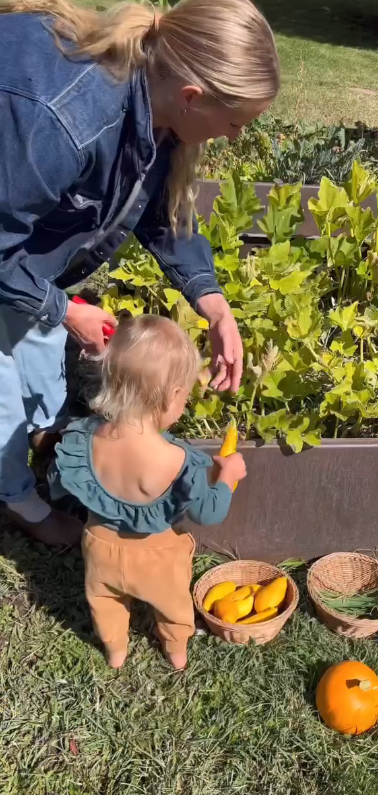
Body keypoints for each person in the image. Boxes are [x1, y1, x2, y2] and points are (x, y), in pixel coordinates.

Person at [0, 0, 279, 545]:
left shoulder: (155, 101)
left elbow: (159, 211)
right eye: (235, 123)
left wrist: (214, 305)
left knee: (30, 330)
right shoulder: (61, 121)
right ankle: (16, 497)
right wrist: (64, 311)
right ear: (193, 97)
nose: (234, 138)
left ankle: (41, 445)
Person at [49, 313, 247, 669]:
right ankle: (176, 651)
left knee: (104, 601)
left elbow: (60, 481)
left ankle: (115, 651)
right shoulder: (180, 461)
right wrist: (228, 477)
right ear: (172, 396)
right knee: (173, 605)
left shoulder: (85, 437)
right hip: (157, 559)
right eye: (184, 397)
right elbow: (209, 513)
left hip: (100, 548)